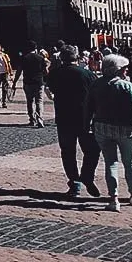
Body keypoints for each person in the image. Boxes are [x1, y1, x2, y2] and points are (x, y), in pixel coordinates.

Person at [87, 54, 132, 211]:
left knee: (110, 163)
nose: (127, 72)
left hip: (102, 128)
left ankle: (113, 199)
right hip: (125, 129)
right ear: (117, 70)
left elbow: (88, 108)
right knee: (129, 163)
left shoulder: (96, 85)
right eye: (124, 69)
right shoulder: (126, 86)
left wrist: (86, 126)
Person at [46, 45, 101, 198]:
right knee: (92, 150)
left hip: (64, 118)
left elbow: (50, 91)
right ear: (77, 57)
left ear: (61, 58)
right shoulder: (88, 74)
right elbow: (96, 97)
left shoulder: (55, 74)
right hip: (85, 119)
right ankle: (87, 176)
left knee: (68, 151)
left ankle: (75, 182)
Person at [12, 41, 48, 127]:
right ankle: (40, 119)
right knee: (39, 101)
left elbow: (19, 71)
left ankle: (32, 119)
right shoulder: (40, 58)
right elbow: (46, 71)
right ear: (35, 48)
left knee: (30, 101)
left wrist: (14, 82)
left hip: (28, 82)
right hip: (39, 82)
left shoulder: (24, 58)